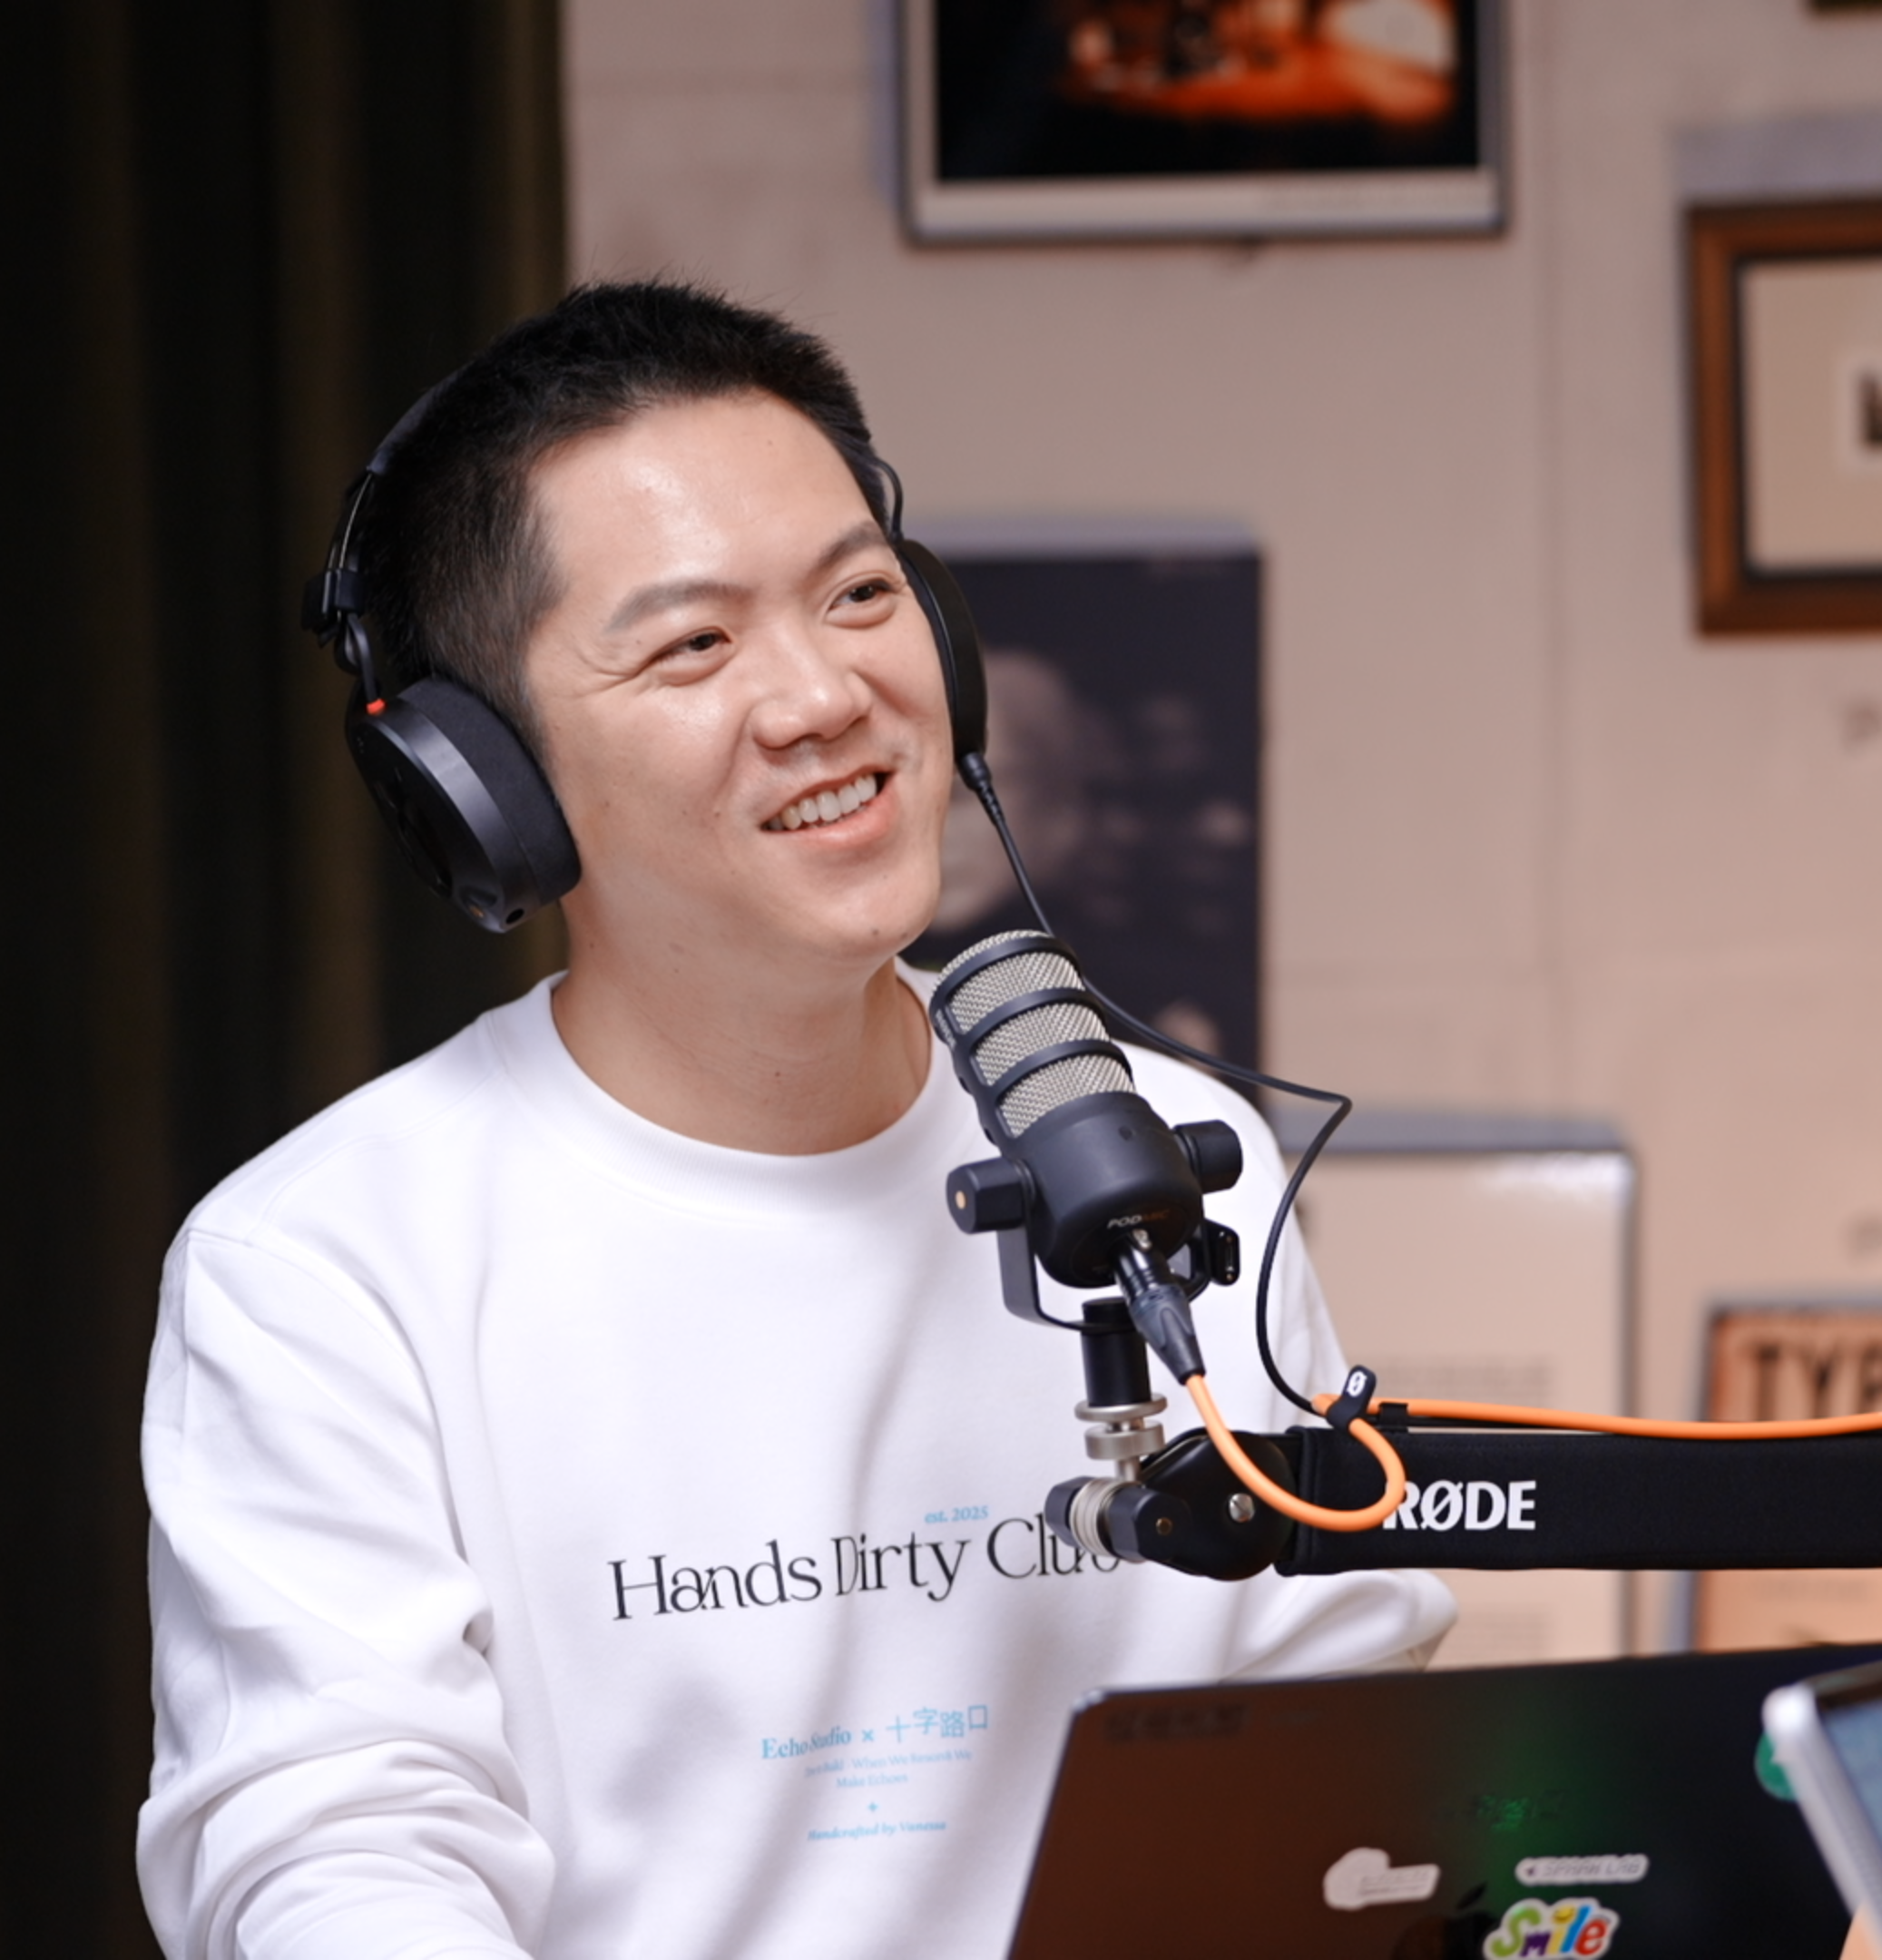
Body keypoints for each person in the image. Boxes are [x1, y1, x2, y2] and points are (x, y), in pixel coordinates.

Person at [134, 282, 1451, 1960]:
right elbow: (338, 1854)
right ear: (483, 782)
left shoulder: (1157, 1150)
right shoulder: (326, 1262)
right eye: (694, 643)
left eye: (860, 595)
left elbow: (1335, 1740)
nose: (826, 694)